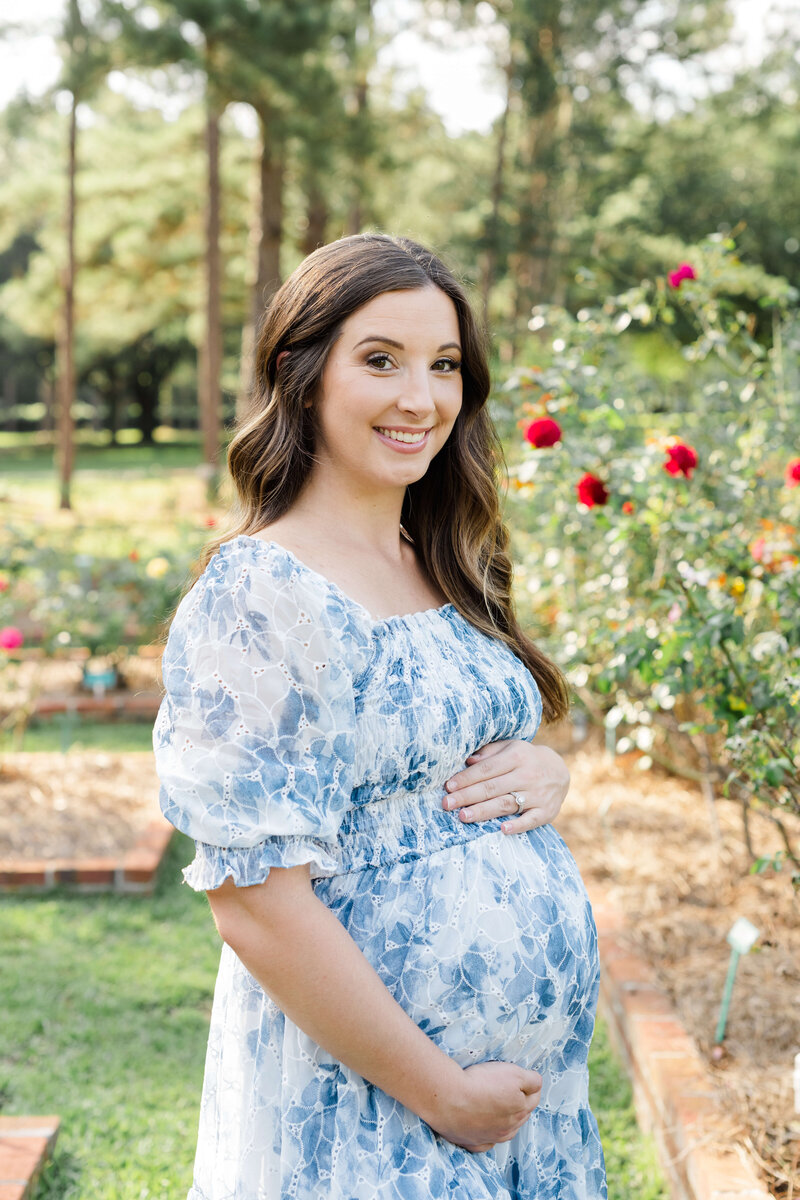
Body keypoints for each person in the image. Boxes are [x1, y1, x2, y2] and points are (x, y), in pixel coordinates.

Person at [153, 232, 607, 1199]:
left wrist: (546, 769)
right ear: (301, 372)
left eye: (443, 364)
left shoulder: (445, 558)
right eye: (380, 361)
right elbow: (256, 903)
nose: (422, 398)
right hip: (373, 1108)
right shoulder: (261, 597)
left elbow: (452, 749)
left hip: (524, 1111)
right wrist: (442, 1093)